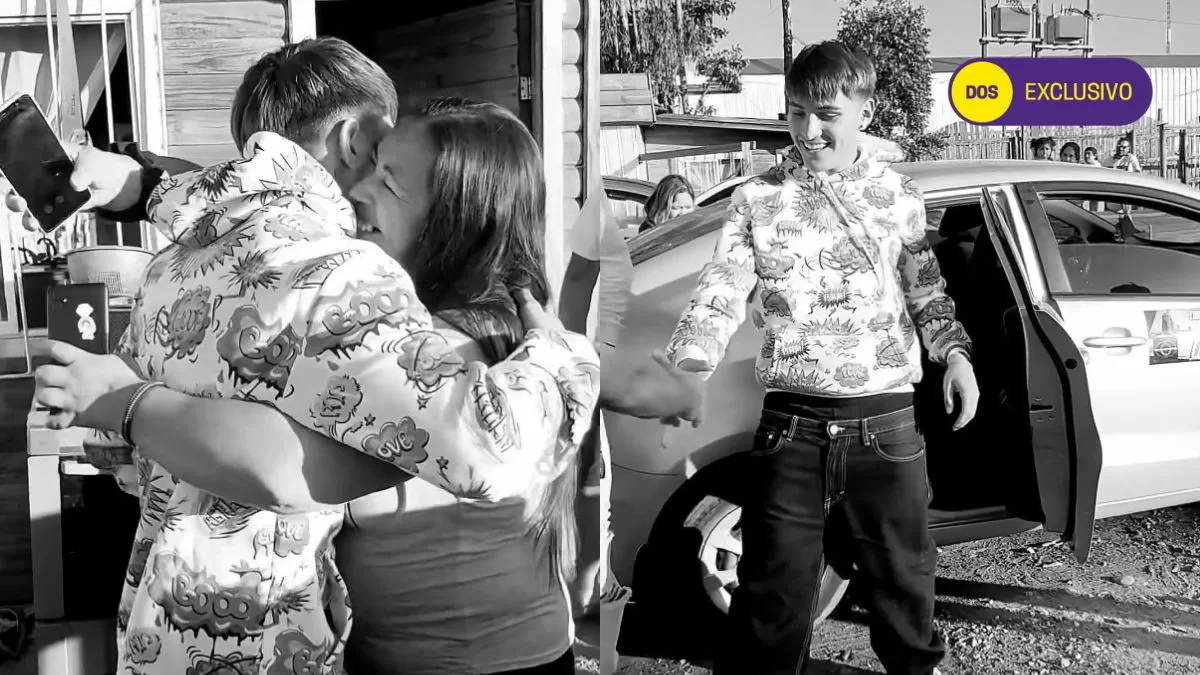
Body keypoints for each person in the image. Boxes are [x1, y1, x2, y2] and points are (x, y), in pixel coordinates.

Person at [24, 39, 598, 674]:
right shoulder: (345, 272)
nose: (371, 187)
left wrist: (145, 186)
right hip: (271, 643)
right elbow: (490, 450)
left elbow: (123, 455)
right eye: (381, 157)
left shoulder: (170, 269)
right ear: (353, 139)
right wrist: (562, 353)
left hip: (159, 636)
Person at [665, 41, 977, 675]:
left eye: (827, 114)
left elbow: (926, 291)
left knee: (905, 592)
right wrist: (690, 366)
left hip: (886, 426)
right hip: (792, 430)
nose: (808, 130)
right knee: (771, 604)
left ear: (865, 111)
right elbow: (721, 287)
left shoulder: (897, 195)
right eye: (796, 112)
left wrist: (955, 356)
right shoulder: (756, 199)